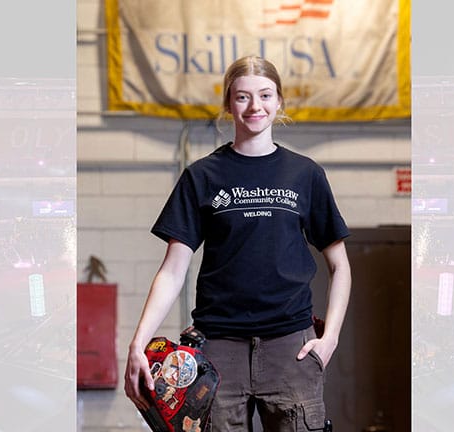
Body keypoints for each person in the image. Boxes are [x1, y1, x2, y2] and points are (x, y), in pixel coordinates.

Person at [124, 55, 352, 431]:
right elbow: (172, 269)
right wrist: (138, 342)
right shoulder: (201, 176)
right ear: (228, 104)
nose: (255, 106)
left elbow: (340, 265)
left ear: (279, 102)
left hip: (290, 347)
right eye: (242, 97)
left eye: (265, 95)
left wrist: (330, 339)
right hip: (218, 350)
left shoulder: (305, 174)